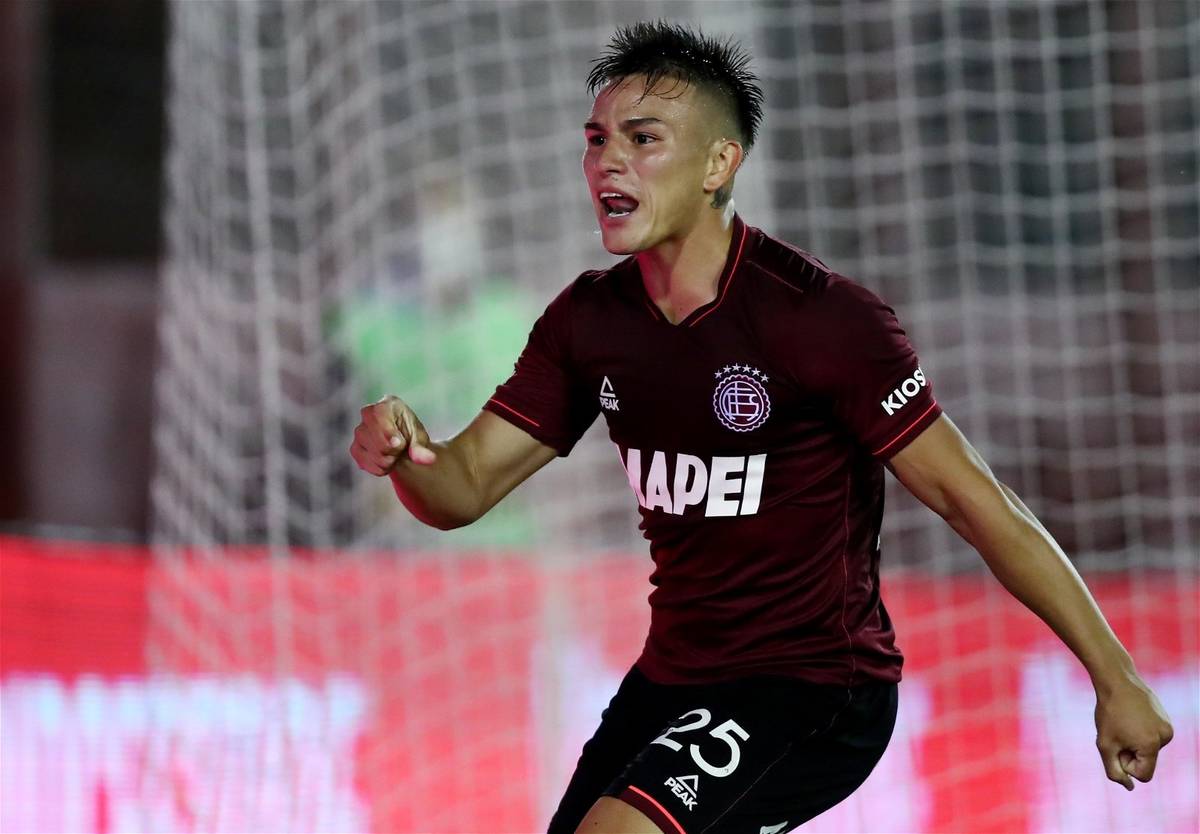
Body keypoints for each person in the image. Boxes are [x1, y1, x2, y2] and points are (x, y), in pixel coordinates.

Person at [350, 21, 1174, 834]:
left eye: (643, 139)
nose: (608, 160)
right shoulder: (588, 321)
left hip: (815, 688)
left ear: (720, 163)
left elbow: (975, 502)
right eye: (597, 140)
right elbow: (460, 490)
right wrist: (403, 451)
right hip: (672, 682)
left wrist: (1114, 675)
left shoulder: (821, 319)